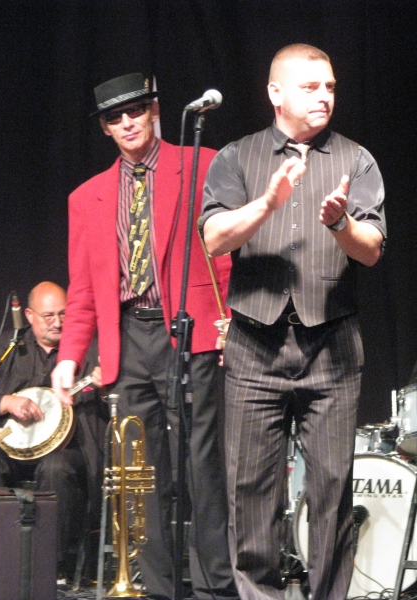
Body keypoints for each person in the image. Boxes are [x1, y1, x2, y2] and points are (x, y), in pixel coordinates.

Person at [200, 44, 386, 600]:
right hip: (254, 346)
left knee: (331, 493)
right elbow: (213, 239)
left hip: (332, 344)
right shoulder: (237, 157)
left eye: (330, 86)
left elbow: (372, 250)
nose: (324, 96)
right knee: (250, 495)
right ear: (275, 93)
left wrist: (341, 224)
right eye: (310, 87)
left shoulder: (356, 158)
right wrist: (267, 203)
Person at [51, 73, 237, 600]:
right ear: (106, 129)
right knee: (143, 472)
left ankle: (215, 588)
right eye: (115, 117)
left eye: (136, 110)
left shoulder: (203, 163)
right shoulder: (87, 197)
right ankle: (157, 589)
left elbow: (227, 251)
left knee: (202, 465)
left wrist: (230, 320)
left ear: (155, 110)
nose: (128, 122)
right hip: (128, 337)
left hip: (190, 329)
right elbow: (83, 288)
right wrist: (68, 356)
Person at [0, 281, 108, 586]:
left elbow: (114, 403)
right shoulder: (7, 346)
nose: (57, 322)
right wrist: (7, 402)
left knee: (57, 468)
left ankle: (54, 568)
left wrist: (104, 385)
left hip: (68, 447)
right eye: (48, 316)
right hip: (11, 445)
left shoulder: (89, 348)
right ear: (29, 315)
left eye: (63, 314)